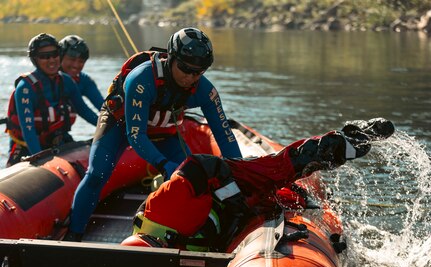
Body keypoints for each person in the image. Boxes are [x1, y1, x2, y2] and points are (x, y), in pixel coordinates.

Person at [64, 27, 243, 241]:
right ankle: (74, 233)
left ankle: (181, 235)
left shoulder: (204, 89)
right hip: (121, 123)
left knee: (191, 179)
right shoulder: (141, 79)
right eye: (185, 69)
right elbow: (136, 136)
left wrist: (241, 172)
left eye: (199, 71)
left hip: (162, 128)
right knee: (97, 173)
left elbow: (224, 135)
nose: (191, 77)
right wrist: (163, 164)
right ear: (171, 58)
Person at [124, 118, 395, 252]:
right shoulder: (171, 247)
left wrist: (232, 198)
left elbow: (201, 165)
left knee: (278, 169)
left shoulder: (164, 209)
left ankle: (346, 140)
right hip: (230, 209)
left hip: (226, 181)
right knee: (286, 196)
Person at [5, 33, 99, 167]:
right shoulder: (25, 88)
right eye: (44, 56)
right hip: (27, 147)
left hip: (58, 142)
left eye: (55, 54)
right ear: (35, 59)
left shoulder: (67, 81)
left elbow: (85, 112)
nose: (51, 60)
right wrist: (40, 160)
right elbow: (28, 131)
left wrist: (109, 130)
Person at [59, 35, 104, 111]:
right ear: (60, 57)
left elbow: (103, 108)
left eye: (81, 61)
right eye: (72, 59)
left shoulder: (85, 81)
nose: (76, 65)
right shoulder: (43, 80)